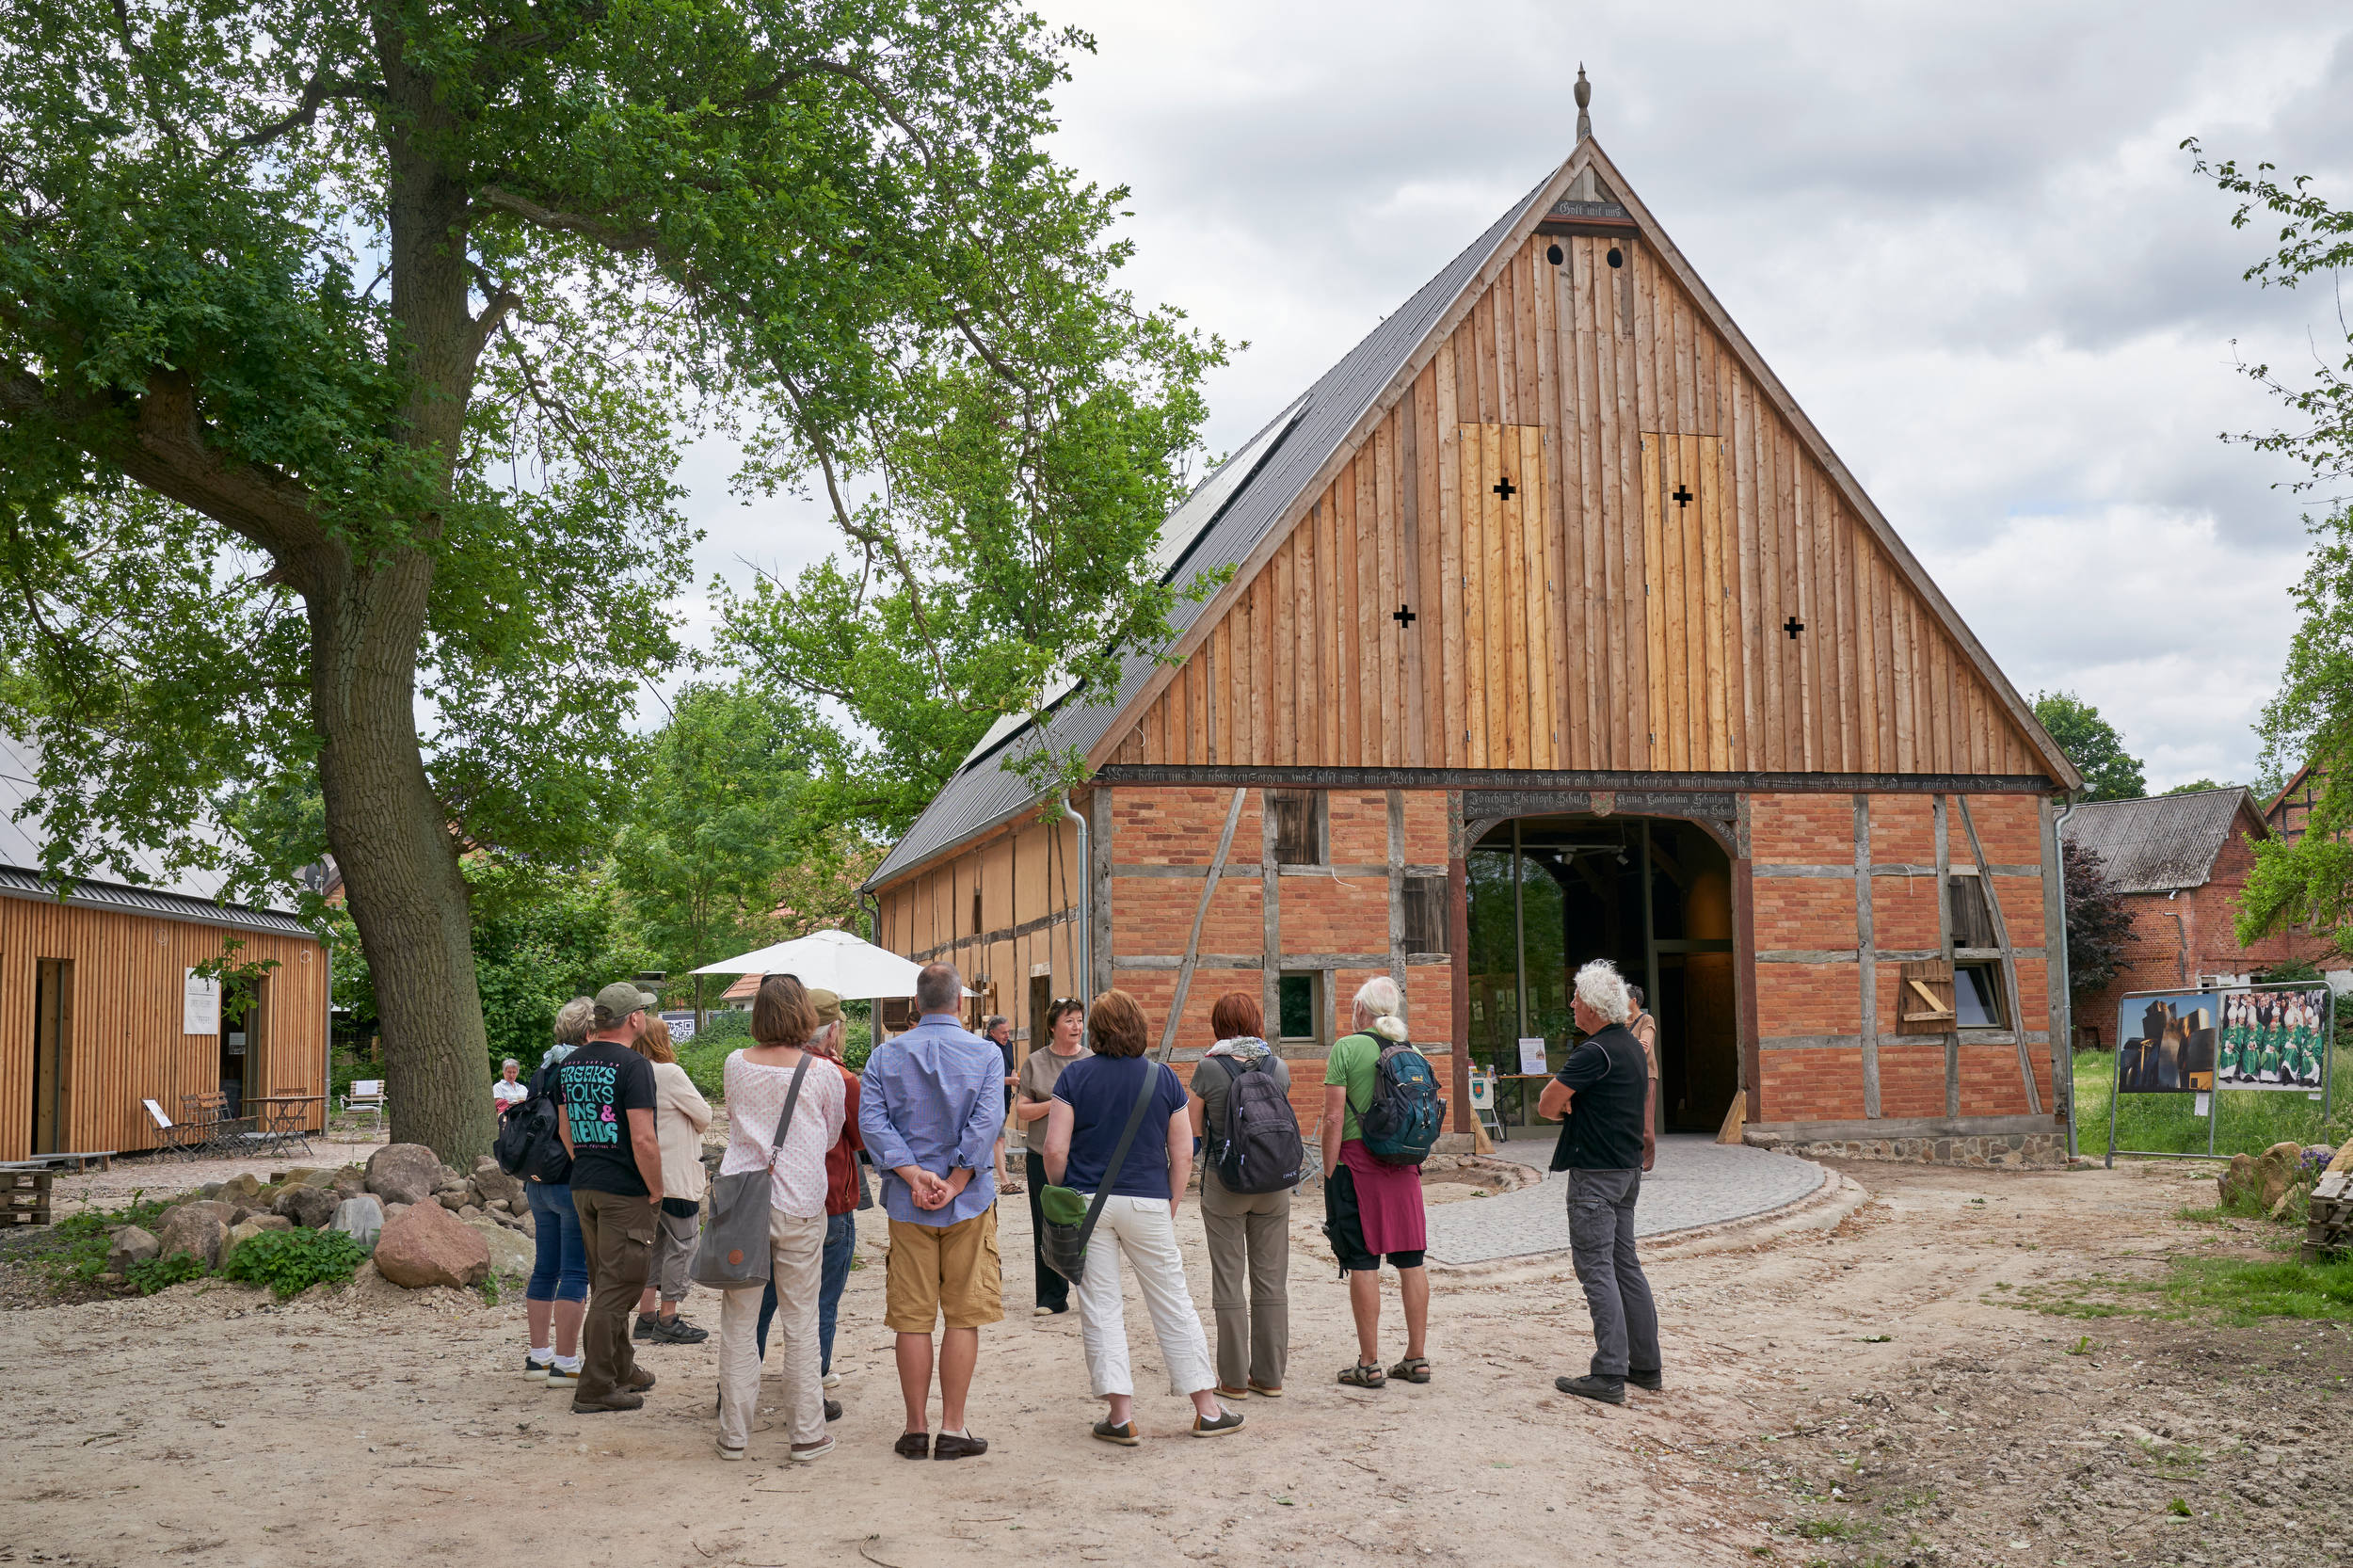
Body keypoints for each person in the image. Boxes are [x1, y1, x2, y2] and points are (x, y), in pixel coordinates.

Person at [1047, 988, 1242, 1444]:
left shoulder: (1074, 1078)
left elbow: (1055, 1149)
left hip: (1088, 1203)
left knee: (1102, 1307)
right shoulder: (1164, 1078)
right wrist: (1171, 1201)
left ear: (1095, 1029)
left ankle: (1121, 1416)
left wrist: (1065, 1189)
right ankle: (1207, 1409)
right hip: (1149, 1200)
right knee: (1173, 1301)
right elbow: (1182, 1151)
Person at [859, 962, 1004, 1461]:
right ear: (960, 1002)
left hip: (909, 1202)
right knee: (963, 1315)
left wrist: (912, 1174)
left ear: (916, 1004)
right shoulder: (986, 1054)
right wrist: (958, 1179)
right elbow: (988, 1121)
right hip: (968, 1201)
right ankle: (954, 1428)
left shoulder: (883, 1056)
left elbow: (872, 1123)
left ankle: (915, 1429)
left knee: (912, 1319)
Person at [714, 976, 846, 1463]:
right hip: (800, 1204)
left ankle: (734, 1433)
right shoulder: (823, 1073)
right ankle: (807, 1432)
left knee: (739, 1322)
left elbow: (733, 1118)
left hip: (742, 1202)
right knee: (801, 1320)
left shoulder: (735, 1064)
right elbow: (831, 1136)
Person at [1537, 958, 1662, 1406]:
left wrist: (1568, 1106)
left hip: (1595, 1176)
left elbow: (1547, 1105)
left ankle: (1609, 1370)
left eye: (1575, 997)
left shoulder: (1594, 1052)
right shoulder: (1630, 1046)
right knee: (1625, 1264)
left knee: (1597, 1270)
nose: (1571, 1004)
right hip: (1627, 1173)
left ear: (1591, 1005)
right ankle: (1645, 1366)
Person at [554, 982, 665, 1414]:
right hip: (624, 1190)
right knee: (620, 1288)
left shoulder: (571, 1064)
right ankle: (597, 1386)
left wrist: (589, 1161)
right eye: (644, 1012)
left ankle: (622, 1368)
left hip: (584, 1184)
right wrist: (655, 1189)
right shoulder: (635, 1066)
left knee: (605, 1282)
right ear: (634, 1018)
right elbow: (644, 1138)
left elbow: (566, 1130)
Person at [1321, 976, 1432, 1389]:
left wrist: (1329, 1173)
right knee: (1411, 1260)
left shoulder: (1347, 1048)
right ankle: (1416, 1357)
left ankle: (1369, 1364)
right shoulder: (1413, 1051)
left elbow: (1334, 1118)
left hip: (1357, 1166)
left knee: (1364, 1263)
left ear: (1363, 1011)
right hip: (1404, 1169)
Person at [756, 988, 864, 1398]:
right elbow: (855, 1137)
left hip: (761, 1197)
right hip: (828, 1198)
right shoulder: (837, 1076)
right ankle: (810, 1381)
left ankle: (740, 1381)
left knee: (758, 1301)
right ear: (831, 1031)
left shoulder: (752, 1064)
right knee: (818, 1301)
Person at [1187, 991, 1290, 1399]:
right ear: (1256, 1022)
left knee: (1228, 1282)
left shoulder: (1208, 1069)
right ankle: (1270, 1376)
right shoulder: (1278, 1066)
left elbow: (1191, 1132)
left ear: (1219, 1025)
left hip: (1226, 1183)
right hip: (1273, 1184)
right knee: (1271, 1282)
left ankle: (1232, 1379)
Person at [630, 1016, 712, 1347]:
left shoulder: (632, 1073)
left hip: (645, 1176)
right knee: (683, 1244)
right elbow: (704, 1115)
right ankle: (669, 1317)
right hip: (676, 1175)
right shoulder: (670, 1073)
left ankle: (645, 1314)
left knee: (655, 1247)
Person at [522, 999, 593, 1388]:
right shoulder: (579, 1068)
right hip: (569, 1178)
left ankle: (539, 1356)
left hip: (537, 1180)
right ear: (588, 1032)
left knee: (544, 1267)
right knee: (575, 1272)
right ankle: (566, 1362)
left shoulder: (544, 1066)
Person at [1013, 998, 1087, 1316]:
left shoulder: (1092, 1061)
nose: (1076, 1027)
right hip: (1041, 1155)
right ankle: (1051, 1297)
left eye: (1080, 1020)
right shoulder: (1036, 1062)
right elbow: (1022, 1110)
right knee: (1047, 1223)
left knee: (1088, 1224)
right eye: (1069, 1020)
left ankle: (1092, 1294)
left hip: (1084, 1155)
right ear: (1053, 1026)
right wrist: (1057, 1103)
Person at [984, 1015, 1020, 1195]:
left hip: (1004, 1098)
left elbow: (1010, 1068)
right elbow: (988, 1078)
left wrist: (1014, 1076)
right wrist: (1011, 1080)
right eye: (1003, 1033)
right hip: (990, 1100)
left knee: (998, 1139)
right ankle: (1005, 1182)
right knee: (999, 1139)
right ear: (991, 1032)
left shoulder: (1009, 1046)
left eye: (1008, 1032)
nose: (1007, 1036)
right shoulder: (986, 1047)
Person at [1625, 984, 1660, 1169]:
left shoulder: (1647, 1019)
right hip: (1624, 1077)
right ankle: (1628, 1159)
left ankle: (1645, 1162)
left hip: (1645, 1075)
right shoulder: (1619, 1022)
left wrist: (1624, 1046)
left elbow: (1644, 1046)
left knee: (1645, 1124)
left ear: (1633, 1000)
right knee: (1626, 1119)